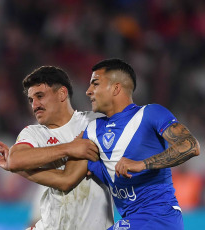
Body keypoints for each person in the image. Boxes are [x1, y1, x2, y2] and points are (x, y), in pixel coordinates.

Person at [17, 59, 200, 230]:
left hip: (160, 217)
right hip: (130, 220)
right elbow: (66, 179)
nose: (88, 91)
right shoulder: (92, 129)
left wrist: (141, 164)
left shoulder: (150, 114)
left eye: (95, 83)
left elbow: (191, 145)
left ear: (116, 88)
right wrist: (22, 170)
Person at [0, 66, 114, 230]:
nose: (34, 105)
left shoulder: (94, 122)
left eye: (40, 96)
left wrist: (20, 169)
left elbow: (67, 180)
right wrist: (69, 148)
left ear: (62, 94)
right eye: (31, 100)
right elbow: (16, 159)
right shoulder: (32, 132)